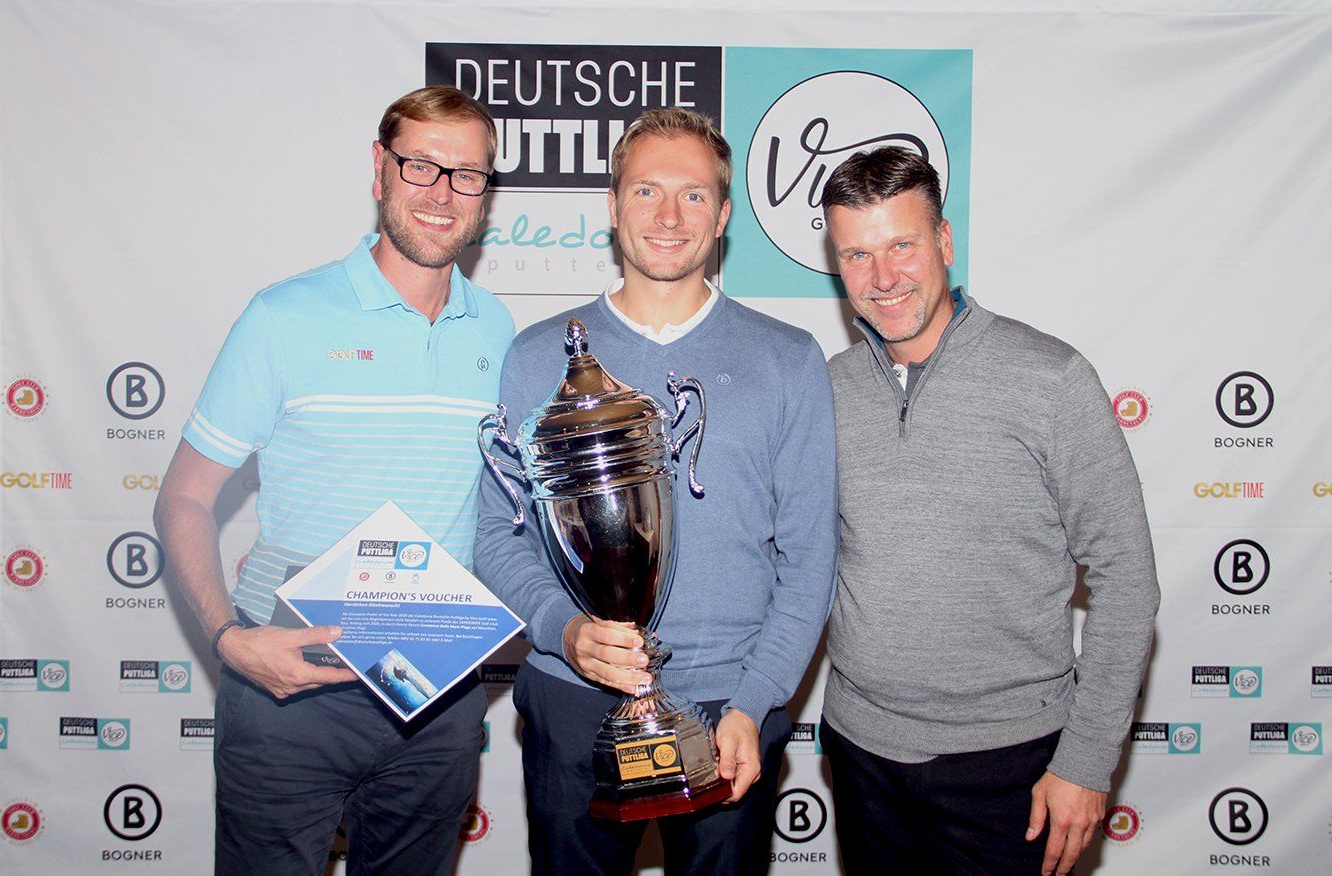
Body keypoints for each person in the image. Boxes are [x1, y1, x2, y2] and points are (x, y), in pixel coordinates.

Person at [153, 86, 514, 876]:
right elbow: (183, 497)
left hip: (436, 694)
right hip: (291, 687)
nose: (442, 193)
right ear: (380, 168)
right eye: (420, 166)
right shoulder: (283, 317)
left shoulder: (497, 328)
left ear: (486, 193)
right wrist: (227, 639)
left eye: (467, 174)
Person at [474, 108, 837, 876]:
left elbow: (811, 557)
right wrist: (564, 630)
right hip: (573, 695)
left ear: (723, 214)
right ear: (612, 206)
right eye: (646, 191)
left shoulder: (789, 359)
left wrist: (756, 700)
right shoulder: (538, 357)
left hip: (730, 708)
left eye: (693, 194)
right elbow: (498, 533)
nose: (669, 216)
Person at [818, 145, 1160, 876]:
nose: (882, 278)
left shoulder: (1051, 379)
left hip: (1014, 763)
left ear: (944, 241)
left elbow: (1127, 579)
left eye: (902, 245)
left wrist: (1087, 761)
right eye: (857, 255)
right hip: (861, 753)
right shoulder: (828, 389)